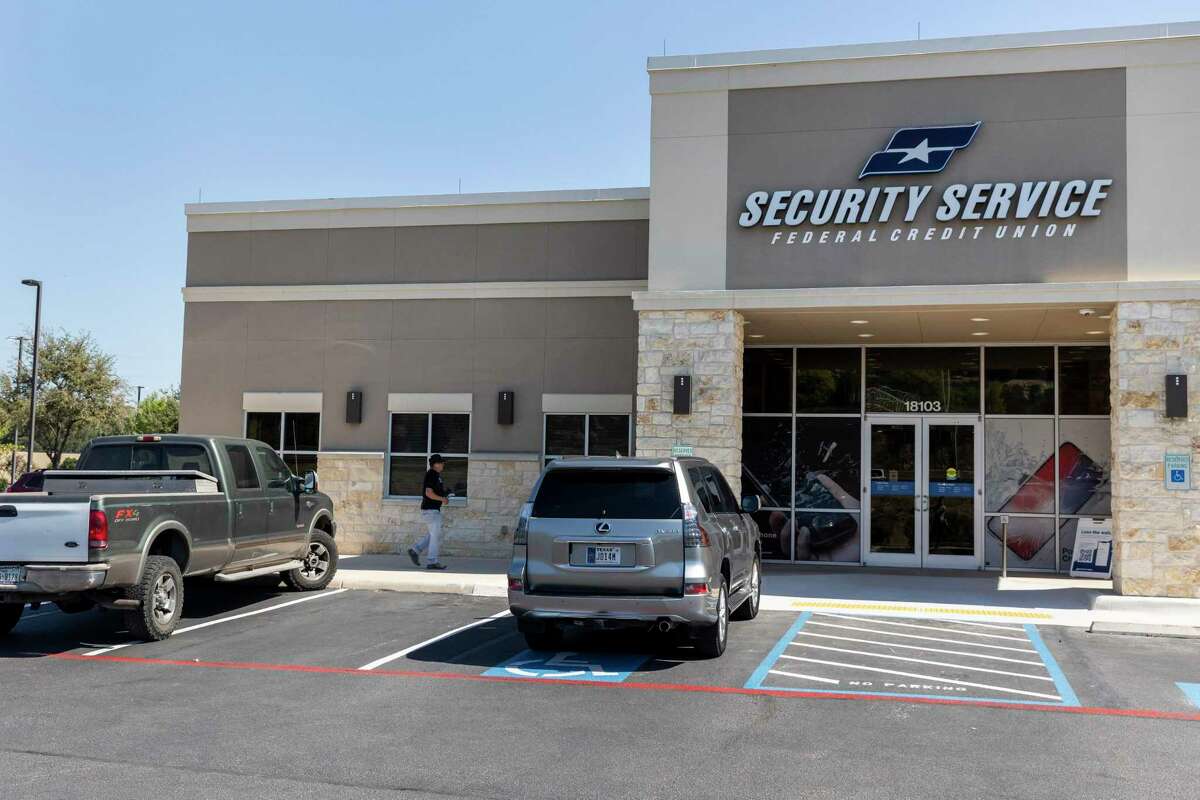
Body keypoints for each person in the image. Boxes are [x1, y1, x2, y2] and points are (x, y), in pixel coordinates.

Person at [409, 454, 450, 570]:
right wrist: (442, 499)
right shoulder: (432, 474)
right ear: (435, 464)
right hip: (430, 510)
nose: (443, 464)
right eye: (441, 462)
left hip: (432, 510)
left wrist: (444, 494)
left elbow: (434, 492)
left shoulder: (436, 476)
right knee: (435, 535)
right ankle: (432, 561)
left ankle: (415, 550)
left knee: (434, 534)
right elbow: (428, 493)